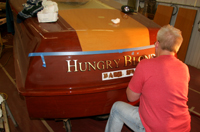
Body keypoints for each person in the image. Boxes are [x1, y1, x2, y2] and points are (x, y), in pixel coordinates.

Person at [105, 25, 191, 132]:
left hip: (158, 129)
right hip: (183, 127)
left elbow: (131, 97)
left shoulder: (145, 65)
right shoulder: (184, 68)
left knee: (117, 108)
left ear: (157, 44)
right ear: (177, 48)